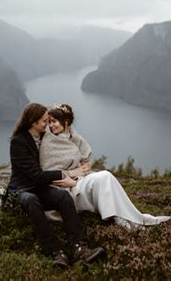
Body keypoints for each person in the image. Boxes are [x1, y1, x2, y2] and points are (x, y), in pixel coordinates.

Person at [40, 103, 171, 229]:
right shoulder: (48, 142)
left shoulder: (74, 138)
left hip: (77, 181)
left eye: (54, 121)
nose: (51, 126)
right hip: (64, 190)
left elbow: (84, 161)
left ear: (66, 122)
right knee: (103, 177)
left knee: (106, 176)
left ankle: (125, 217)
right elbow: (49, 172)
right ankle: (119, 218)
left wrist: (83, 169)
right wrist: (74, 176)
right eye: (49, 122)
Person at [6, 103, 105, 268]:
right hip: (21, 189)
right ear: (33, 122)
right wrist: (62, 173)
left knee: (63, 196)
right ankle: (55, 251)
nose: (48, 124)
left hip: (38, 187)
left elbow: (67, 135)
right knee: (31, 200)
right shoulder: (18, 142)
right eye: (45, 121)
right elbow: (36, 176)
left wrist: (83, 165)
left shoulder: (44, 136)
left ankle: (80, 247)